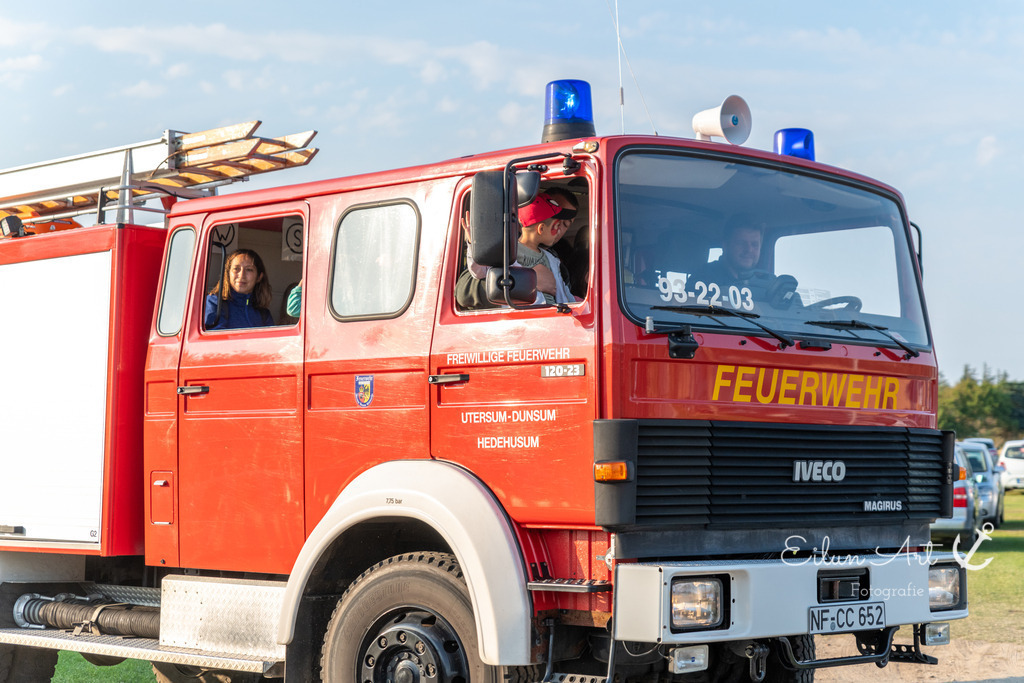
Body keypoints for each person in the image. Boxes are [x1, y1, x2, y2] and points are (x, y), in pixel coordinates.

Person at [205, 249, 275, 329]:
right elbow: (215, 339)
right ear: (228, 274)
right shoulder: (214, 303)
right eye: (236, 269)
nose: (242, 275)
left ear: (259, 277)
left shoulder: (264, 314)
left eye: (249, 270)